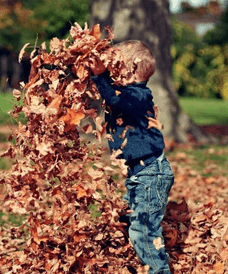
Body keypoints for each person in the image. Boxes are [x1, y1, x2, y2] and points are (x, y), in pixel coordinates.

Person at [91, 40, 174, 274]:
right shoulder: (128, 94)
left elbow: (115, 98)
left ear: (131, 70)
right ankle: (134, 258)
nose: (111, 72)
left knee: (144, 230)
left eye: (116, 67)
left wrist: (100, 77)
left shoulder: (138, 96)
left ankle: (159, 270)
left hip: (150, 175)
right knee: (130, 220)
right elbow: (112, 96)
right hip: (141, 175)